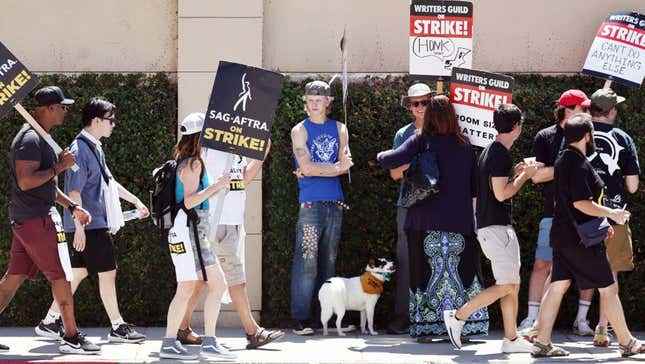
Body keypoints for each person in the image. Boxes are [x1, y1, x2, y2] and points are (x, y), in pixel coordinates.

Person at [34, 97, 147, 343]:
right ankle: (117, 326)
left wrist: (135, 200)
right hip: (89, 225)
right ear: (96, 121)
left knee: (78, 273)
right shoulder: (79, 149)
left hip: (89, 223)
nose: (113, 124)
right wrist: (80, 228)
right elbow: (74, 192)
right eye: (110, 120)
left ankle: (49, 321)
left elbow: (109, 181)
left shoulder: (94, 146)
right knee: (108, 272)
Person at [531, 113, 644, 358]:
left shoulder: (563, 159)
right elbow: (582, 203)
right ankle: (626, 342)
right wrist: (612, 213)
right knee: (609, 288)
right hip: (581, 241)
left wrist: (601, 220)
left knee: (558, 286)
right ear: (587, 135)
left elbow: (572, 203)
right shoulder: (578, 163)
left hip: (563, 236)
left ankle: (542, 341)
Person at [378, 95, 489, 342]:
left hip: (422, 222)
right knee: (460, 275)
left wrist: (379, 156)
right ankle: (462, 325)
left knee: (424, 275)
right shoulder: (466, 145)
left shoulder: (421, 141)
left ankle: (428, 329)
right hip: (459, 223)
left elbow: (389, 160)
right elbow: (474, 189)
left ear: (429, 117)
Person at [2, 86, 100, 354]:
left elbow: (44, 184)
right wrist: (60, 166)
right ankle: (71, 336)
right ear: (49, 108)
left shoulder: (42, 138)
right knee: (61, 275)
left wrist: (71, 206)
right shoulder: (30, 140)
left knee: (14, 277)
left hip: (29, 219)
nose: (66, 111)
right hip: (36, 220)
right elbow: (26, 181)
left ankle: (70, 334)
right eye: (63, 106)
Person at [177, 113, 284, 349]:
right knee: (235, 279)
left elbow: (240, 181)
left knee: (201, 281)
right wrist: (259, 155)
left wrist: (260, 156)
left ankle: (181, 328)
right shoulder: (210, 153)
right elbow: (230, 183)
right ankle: (252, 332)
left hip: (228, 221)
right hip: (218, 222)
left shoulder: (224, 149)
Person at [443, 104, 539, 353]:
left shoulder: (490, 151)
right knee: (507, 285)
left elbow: (490, 188)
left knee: (511, 284)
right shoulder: (499, 154)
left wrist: (516, 172)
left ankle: (511, 339)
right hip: (496, 228)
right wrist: (525, 176)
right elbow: (501, 193)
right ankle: (458, 316)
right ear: (517, 126)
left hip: (492, 227)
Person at [521, 90, 595, 336]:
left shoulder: (589, 135)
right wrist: (567, 166)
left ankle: (582, 320)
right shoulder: (546, 136)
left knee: (590, 267)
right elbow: (538, 176)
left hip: (584, 213)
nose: (586, 112)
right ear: (567, 109)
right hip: (552, 213)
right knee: (543, 263)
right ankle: (532, 320)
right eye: (582, 107)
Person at [159, 114, 233, 360]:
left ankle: (170, 342)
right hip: (192, 233)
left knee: (186, 288)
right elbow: (190, 201)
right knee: (216, 285)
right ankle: (209, 342)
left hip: (185, 232)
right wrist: (218, 186)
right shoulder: (193, 164)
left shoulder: (183, 161)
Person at [290, 80, 353, 335]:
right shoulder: (299, 130)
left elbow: (346, 162)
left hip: (335, 203)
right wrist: (336, 169)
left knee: (329, 261)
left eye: (320, 98)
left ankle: (324, 317)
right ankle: (302, 318)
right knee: (306, 261)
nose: (314, 102)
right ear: (306, 102)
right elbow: (306, 168)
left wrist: (324, 169)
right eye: (310, 99)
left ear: (328, 101)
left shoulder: (340, 128)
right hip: (310, 205)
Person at [586, 89, 640, 347]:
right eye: (615, 107)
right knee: (611, 275)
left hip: (582, 214)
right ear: (609, 111)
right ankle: (603, 328)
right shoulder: (622, 138)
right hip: (615, 216)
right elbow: (631, 186)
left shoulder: (577, 133)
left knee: (561, 275)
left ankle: (540, 330)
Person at [386, 83, 433, 335]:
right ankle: (403, 315)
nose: (420, 108)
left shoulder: (443, 130)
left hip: (439, 204)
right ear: (409, 106)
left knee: (437, 258)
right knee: (406, 260)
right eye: (416, 103)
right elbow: (394, 172)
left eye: (425, 102)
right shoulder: (402, 134)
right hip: (408, 203)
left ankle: (432, 315)